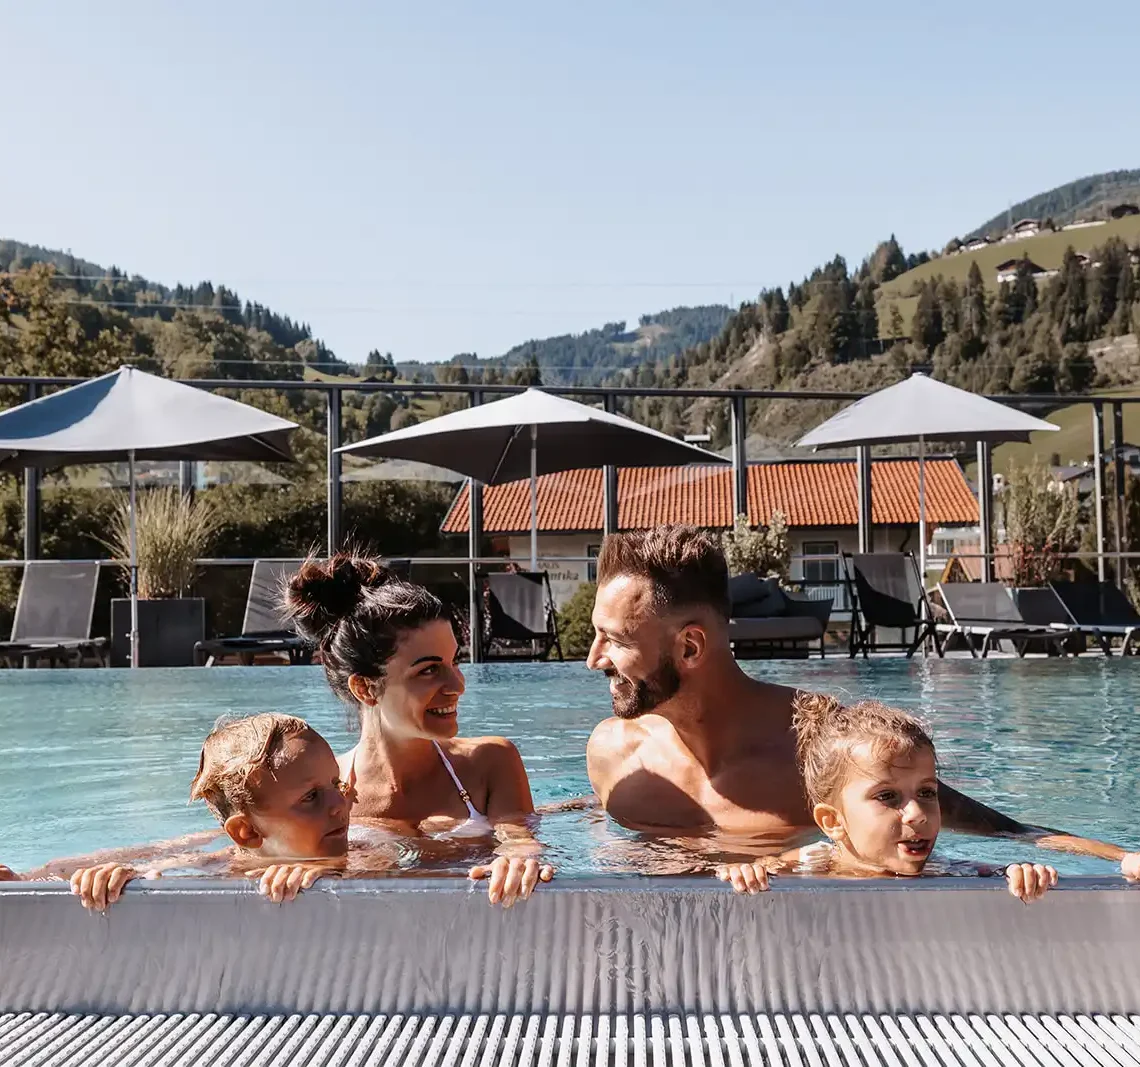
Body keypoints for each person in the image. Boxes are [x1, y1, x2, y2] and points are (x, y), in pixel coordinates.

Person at [584, 525, 1139, 871]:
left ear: (690, 646)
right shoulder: (613, 757)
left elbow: (1008, 834)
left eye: (615, 639)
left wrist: (1123, 859)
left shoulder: (828, 747)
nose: (594, 658)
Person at [284, 552, 554, 907]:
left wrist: (521, 859)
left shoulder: (490, 763)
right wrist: (291, 869)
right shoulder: (323, 791)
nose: (457, 685)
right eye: (428, 670)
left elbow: (519, 839)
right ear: (365, 688)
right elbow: (251, 848)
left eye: (453, 661)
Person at [715, 694, 1057, 901]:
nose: (917, 814)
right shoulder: (814, 860)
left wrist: (1020, 872)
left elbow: (997, 872)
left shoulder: (942, 868)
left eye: (926, 792)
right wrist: (743, 872)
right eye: (889, 796)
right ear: (833, 822)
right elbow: (756, 869)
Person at [6, 713, 360, 910]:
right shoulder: (219, 867)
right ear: (247, 833)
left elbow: (403, 868)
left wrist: (325, 870)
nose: (339, 806)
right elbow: (150, 868)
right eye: (312, 797)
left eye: (336, 784)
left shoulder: (364, 850)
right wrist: (99, 877)